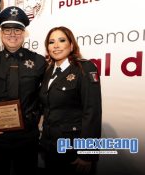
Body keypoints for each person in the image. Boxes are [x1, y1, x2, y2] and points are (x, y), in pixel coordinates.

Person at [0, 6, 47, 175]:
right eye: (7, 30)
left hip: (28, 134)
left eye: (17, 30)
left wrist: (38, 116)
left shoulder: (39, 61)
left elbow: (47, 94)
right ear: (1, 33)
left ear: (24, 33)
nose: (12, 34)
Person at [39, 26, 102, 175]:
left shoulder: (84, 68)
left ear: (71, 45)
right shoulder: (48, 71)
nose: (56, 46)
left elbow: (92, 112)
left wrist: (87, 154)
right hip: (50, 146)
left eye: (62, 40)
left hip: (73, 148)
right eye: (51, 42)